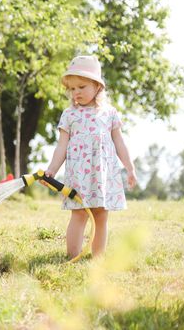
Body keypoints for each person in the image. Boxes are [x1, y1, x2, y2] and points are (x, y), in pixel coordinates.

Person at [44, 55, 137, 259]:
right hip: (80, 174)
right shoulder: (69, 115)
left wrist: (130, 168)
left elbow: (119, 143)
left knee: (101, 215)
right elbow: (61, 146)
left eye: (81, 86)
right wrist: (52, 169)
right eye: (72, 88)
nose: (76, 92)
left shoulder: (109, 113)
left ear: (97, 87)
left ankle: (98, 258)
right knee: (79, 213)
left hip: (102, 175)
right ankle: (72, 256)